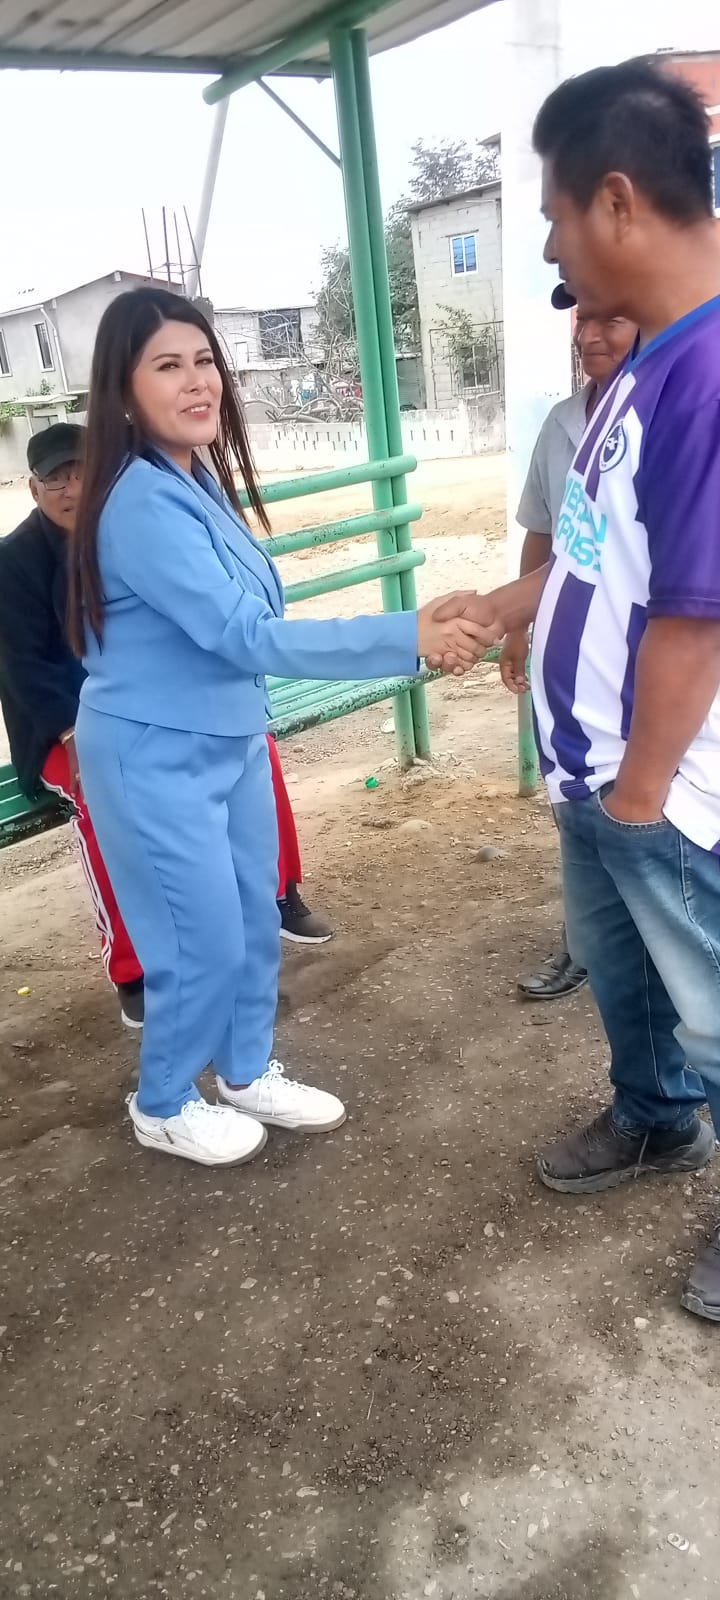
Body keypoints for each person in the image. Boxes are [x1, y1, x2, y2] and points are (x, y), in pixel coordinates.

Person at [67, 286, 495, 1169]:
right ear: (123, 392)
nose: (198, 382)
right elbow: (247, 635)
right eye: (168, 366)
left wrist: (413, 629)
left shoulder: (194, 479)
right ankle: (163, 1101)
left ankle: (245, 1069)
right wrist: (408, 633)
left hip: (229, 739)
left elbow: (248, 626)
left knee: (255, 922)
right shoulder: (139, 503)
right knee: (200, 942)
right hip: (152, 755)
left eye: (205, 361)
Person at [432, 59, 720, 1321]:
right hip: (598, 774)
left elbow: (699, 617)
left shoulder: (708, 375)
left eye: (551, 215)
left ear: (615, 199)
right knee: (625, 974)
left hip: (669, 787)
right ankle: (657, 1118)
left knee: (714, 1009)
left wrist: (641, 796)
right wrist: (508, 607)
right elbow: (599, 557)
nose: (551, 247)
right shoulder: (639, 373)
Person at [502, 312, 636, 999]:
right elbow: (545, 534)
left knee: (648, 815)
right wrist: (513, 626)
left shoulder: (667, 415)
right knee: (578, 813)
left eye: (611, 319)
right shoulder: (561, 424)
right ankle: (585, 944)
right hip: (573, 667)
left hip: (638, 664)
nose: (588, 335)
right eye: (582, 321)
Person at [0, 424, 145, 1027]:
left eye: (83, 472)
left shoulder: (122, 536)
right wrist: (69, 730)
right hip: (59, 727)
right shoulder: (13, 561)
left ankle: (268, 903)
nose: (72, 489)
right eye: (56, 478)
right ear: (34, 489)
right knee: (103, 797)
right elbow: (22, 667)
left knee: (226, 753)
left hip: (134, 709)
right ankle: (131, 970)